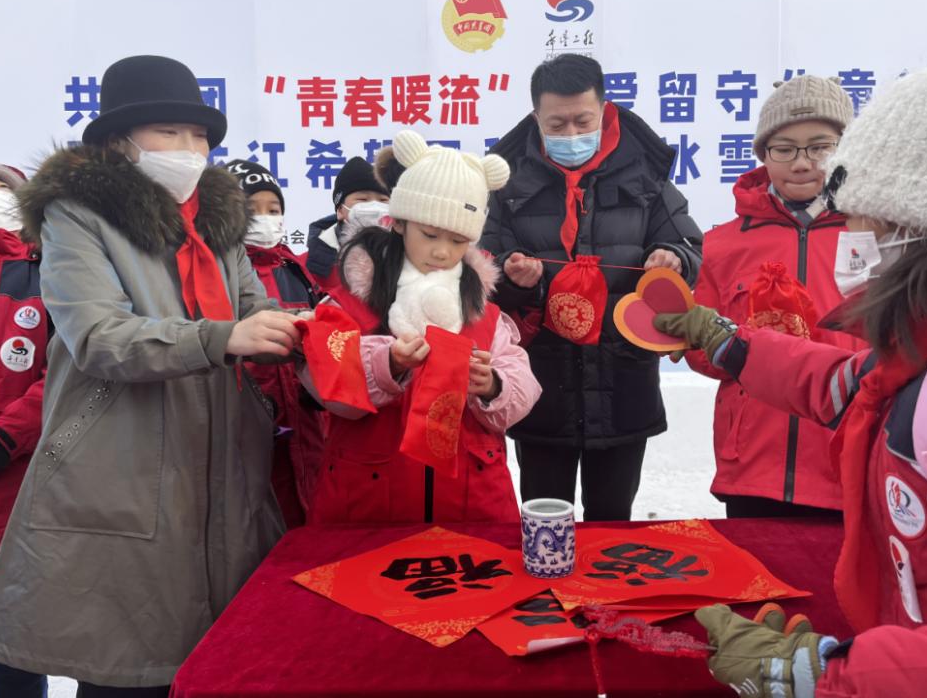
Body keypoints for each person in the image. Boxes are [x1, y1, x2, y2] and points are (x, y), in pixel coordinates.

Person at [0, 55, 306, 696]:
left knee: (215, 664)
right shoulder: (76, 217)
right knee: (127, 666)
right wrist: (223, 338)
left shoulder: (217, 224)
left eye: (200, 136)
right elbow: (98, 335)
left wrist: (313, 333)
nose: (190, 149)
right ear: (119, 142)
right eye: (169, 132)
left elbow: (254, 309)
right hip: (123, 465)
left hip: (224, 467)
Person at [657, 58, 927, 696]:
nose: (852, 235)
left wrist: (825, 674)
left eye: (866, 216)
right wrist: (727, 341)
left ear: (922, 227)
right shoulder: (925, 350)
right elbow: (842, 383)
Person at [481, 53, 703, 521]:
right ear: (536, 118)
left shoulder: (645, 177)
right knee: (544, 518)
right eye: (556, 124)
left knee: (613, 519)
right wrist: (513, 277)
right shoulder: (507, 186)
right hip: (541, 385)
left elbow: (688, 246)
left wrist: (673, 259)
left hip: (623, 379)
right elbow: (482, 272)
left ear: (603, 110)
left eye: (583, 122)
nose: (571, 134)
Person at [310, 130, 541, 524]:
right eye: (430, 234)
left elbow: (522, 387)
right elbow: (324, 385)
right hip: (369, 502)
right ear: (399, 222)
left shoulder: (482, 311)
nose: (442, 251)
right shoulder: (347, 302)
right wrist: (388, 364)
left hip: (473, 502)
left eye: (458, 240)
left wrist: (493, 385)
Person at [685, 75, 868, 518]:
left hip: (847, 459)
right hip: (753, 466)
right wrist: (717, 340)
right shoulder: (722, 244)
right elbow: (701, 354)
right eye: (784, 149)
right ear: (763, 155)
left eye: (820, 147)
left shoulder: (874, 233)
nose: (801, 163)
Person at [226, 159, 324, 527]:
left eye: (273, 209)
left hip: (307, 422)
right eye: (252, 209)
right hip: (249, 426)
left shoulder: (298, 270)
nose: (265, 219)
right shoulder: (223, 272)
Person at [0, 164, 48, 697]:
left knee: (16, 657)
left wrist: (6, 437)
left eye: (0, 188)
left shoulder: (50, 271)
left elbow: (66, 371)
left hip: (19, 487)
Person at [305, 155, 390, 293]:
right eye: (363, 199)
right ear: (340, 210)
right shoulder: (309, 266)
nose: (374, 206)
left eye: (383, 200)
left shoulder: (409, 258)